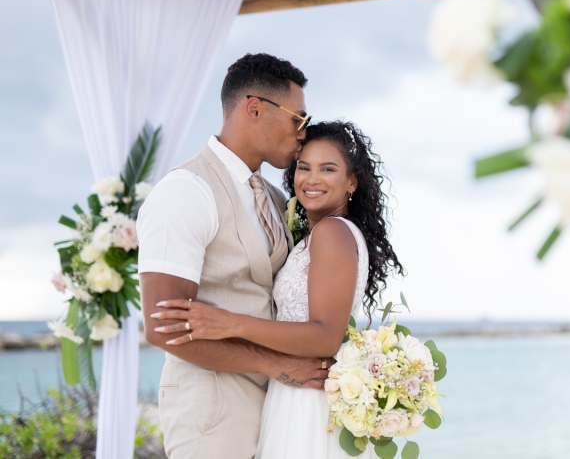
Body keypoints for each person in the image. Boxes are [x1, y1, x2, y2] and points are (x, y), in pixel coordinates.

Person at [152, 121, 405, 458]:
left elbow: (327, 336)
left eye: (327, 169)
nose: (312, 179)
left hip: (305, 400)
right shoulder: (317, 234)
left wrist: (229, 322)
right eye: (304, 167)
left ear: (352, 182)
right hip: (291, 391)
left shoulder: (332, 232)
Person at [137, 53, 329, 458]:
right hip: (209, 411)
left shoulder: (275, 197)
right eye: (299, 119)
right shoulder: (186, 191)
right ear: (255, 108)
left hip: (276, 413)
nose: (303, 134)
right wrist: (277, 365)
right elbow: (162, 329)